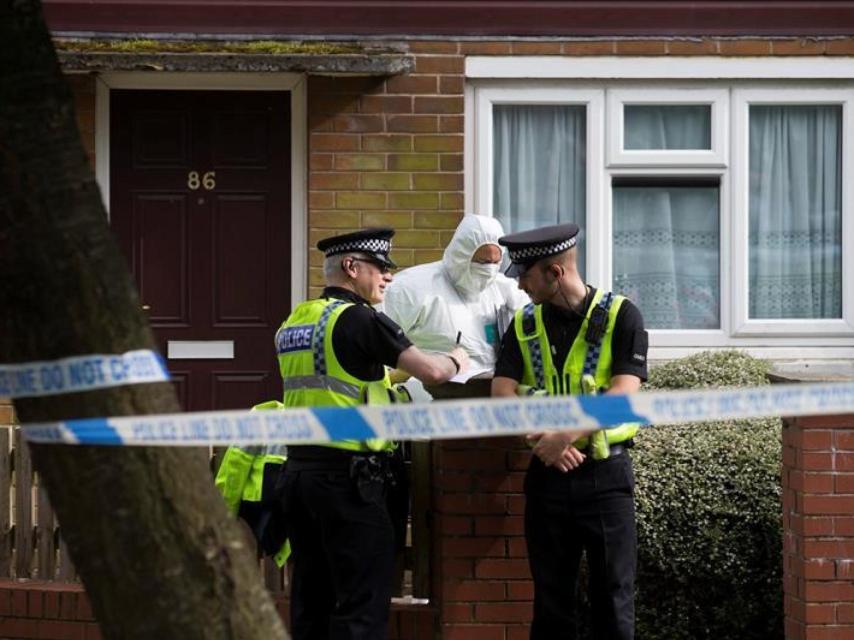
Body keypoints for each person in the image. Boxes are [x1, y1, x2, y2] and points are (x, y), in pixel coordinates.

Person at [277, 227, 469, 640]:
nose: (388, 277)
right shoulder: (361, 319)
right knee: (361, 606)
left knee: (311, 599)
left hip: (300, 478)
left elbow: (342, 377)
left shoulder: (296, 321)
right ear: (351, 267)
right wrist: (457, 358)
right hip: (350, 483)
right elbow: (433, 372)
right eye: (380, 267)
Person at [491, 223, 648, 640]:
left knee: (613, 599)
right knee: (551, 604)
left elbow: (623, 394)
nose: (519, 284)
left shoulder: (622, 316)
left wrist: (564, 435)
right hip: (547, 478)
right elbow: (501, 393)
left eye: (525, 275)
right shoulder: (523, 323)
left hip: (606, 478)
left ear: (555, 272)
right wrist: (544, 440)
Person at [382, 214, 529, 382]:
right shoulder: (411, 289)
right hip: (426, 393)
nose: (489, 270)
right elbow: (379, 347)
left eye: (495, 263)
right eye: (482, 262)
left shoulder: (506, 291)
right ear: (461, 255)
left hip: (492, 392)